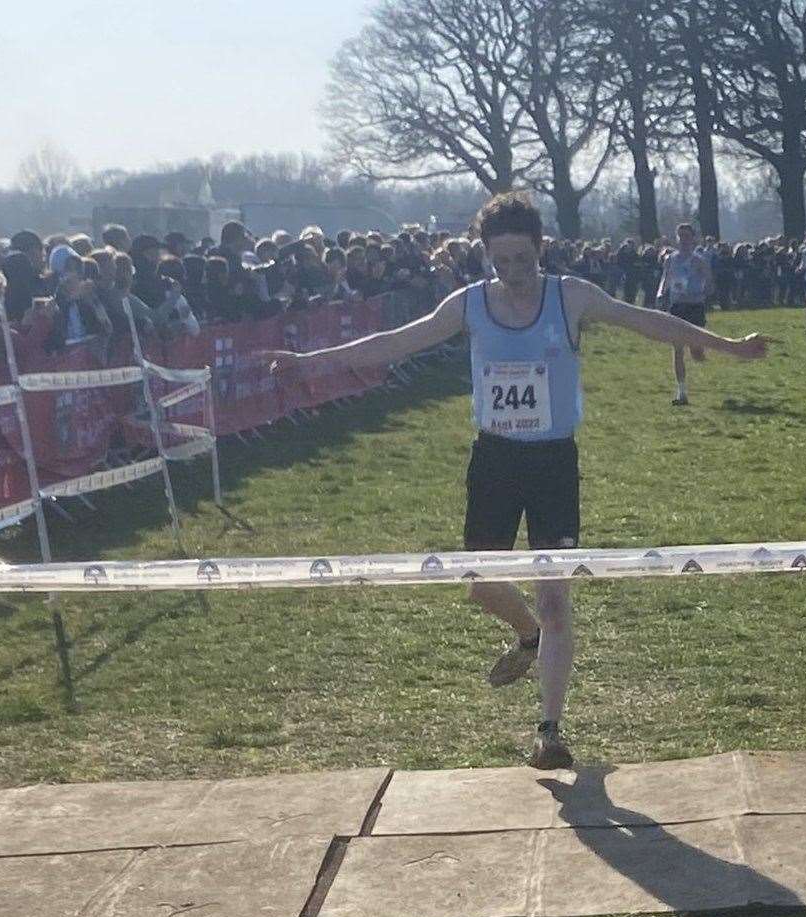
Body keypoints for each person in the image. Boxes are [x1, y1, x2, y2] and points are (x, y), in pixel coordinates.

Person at [270, 193, 767, 769]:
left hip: (553, 462)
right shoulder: (469, 305)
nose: (511, 273)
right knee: (481, 585)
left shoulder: (570, 295)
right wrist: (311, 363)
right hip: (495, 461)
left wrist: (727, 346)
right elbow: (394, 342)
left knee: (557, 599)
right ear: (485, 256)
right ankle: (527, 634)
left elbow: (646, 321)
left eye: (522, 260)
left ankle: (549, 731)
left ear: (541, 249)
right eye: (499, 261)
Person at [655, 223, 713, 405]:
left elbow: (710, 284)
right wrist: (660, 295)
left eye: (687, 236)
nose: (684, 240)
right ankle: (681, 393)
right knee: (677, 348)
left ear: (693, 239)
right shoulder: (670, 259)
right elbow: (665, 279)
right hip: (677, 306)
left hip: (695, 307)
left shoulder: (700, 261)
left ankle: (702, 356)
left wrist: (699, 292)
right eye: (680, 236)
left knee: (696, 352)